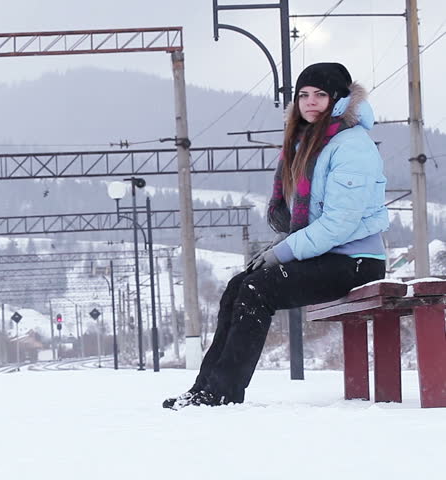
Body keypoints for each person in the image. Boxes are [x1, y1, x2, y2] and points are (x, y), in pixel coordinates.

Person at [163, 62, 389, 410]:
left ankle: (221, 393)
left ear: (340, 100)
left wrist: (283, 252)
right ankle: (205, 387)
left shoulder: (351, 146)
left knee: (259, 289)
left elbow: (339, 224)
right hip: (329, 256)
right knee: (239, 285)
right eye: (303, 95)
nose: (310, 102)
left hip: (357, 261)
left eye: (320, 95)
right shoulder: (307, 144)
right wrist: (281, 248)